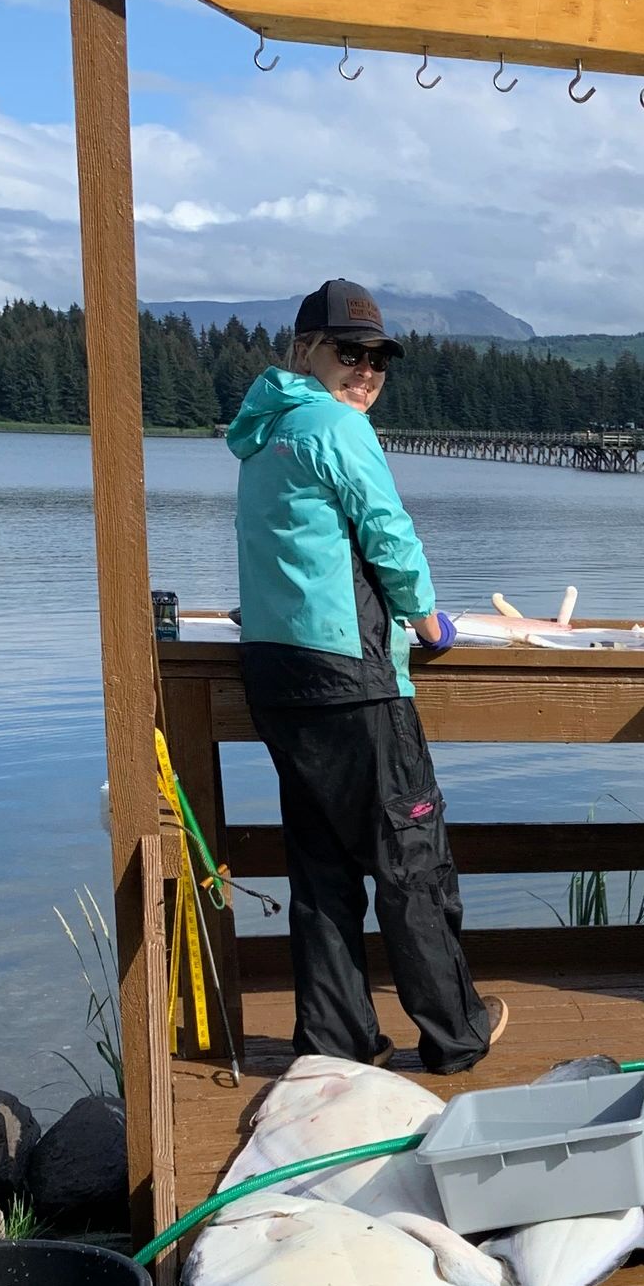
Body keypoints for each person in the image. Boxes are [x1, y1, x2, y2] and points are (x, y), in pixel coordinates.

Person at [228, 279, 502, 1073]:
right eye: (350, 352)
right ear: (305, 349)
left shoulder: (266, 434)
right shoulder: (335, 426)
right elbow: (387, 530)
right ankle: (455, 1034)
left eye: (379, 358)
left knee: (321, 867)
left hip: (280, 675)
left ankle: (338, 1041)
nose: (367, 371)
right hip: (355, 677)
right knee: (411, 857)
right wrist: (427, 617)